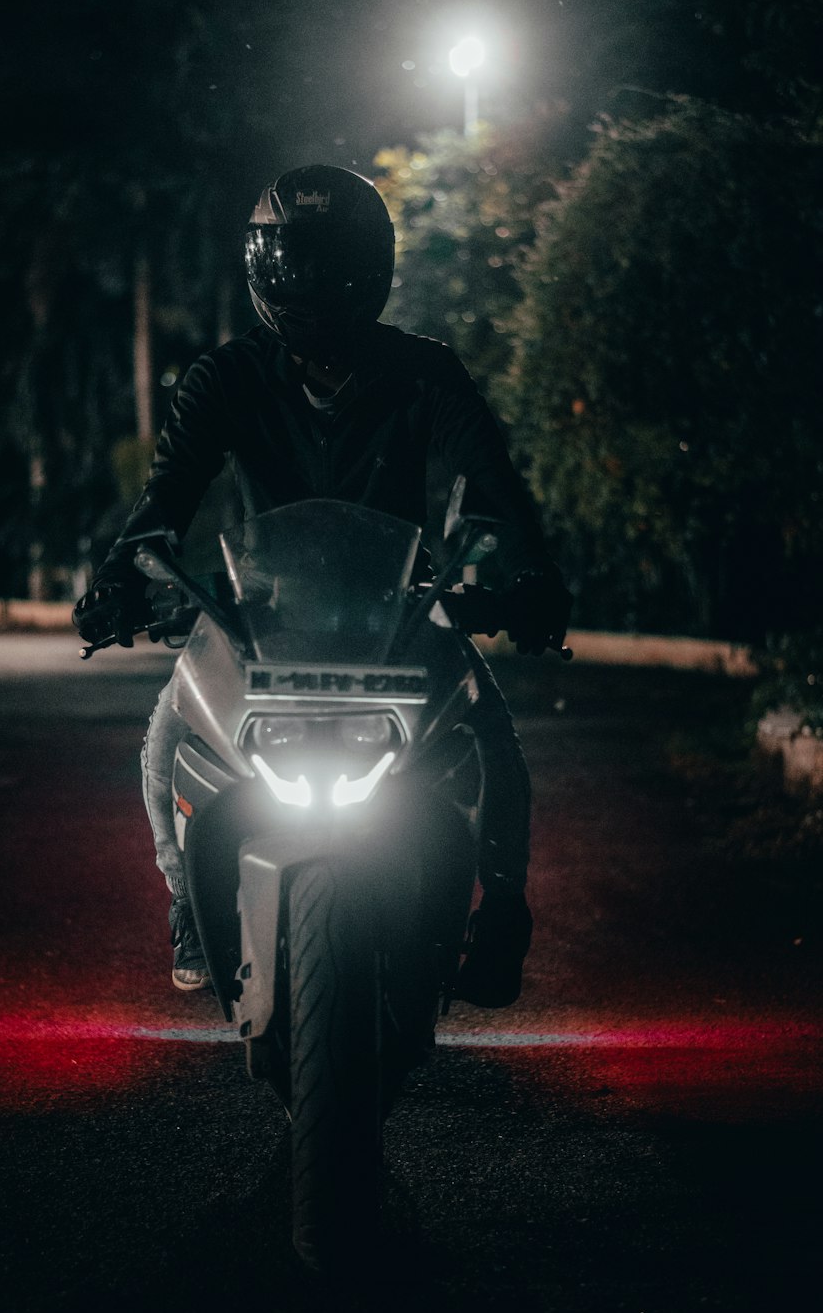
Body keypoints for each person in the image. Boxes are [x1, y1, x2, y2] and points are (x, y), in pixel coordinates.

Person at [74, 164, 571, 1003]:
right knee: (169, 733)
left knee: (490, 740)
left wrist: (533, 579)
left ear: (372, 269)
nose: (308, 282)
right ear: (262, 267)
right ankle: (188, 905)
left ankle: (505, 909)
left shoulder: (427, 372)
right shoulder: (225, 379)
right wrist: (118, 579)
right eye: (290, 262)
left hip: (403, 613)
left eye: (330, 265)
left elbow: (497, 484)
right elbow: (166, 494)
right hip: (262, 615)